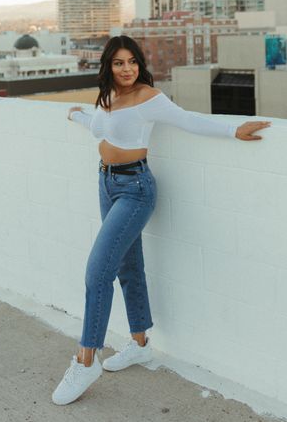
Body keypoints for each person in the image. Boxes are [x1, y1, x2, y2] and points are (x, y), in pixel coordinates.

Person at [52, 35, 271, 405]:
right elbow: (102, 129)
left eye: (132, 62)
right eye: (119, 63)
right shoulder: (107, 97)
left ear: (140, 64)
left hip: (135, 188)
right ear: (108, 66)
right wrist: (76, 115)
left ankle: (86, 358)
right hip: (106, 182)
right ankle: (140, 344)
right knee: (127, 267)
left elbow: (189, 121)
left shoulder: (148, 98)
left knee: (97, 273)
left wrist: (234, 130)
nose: (127, 69)